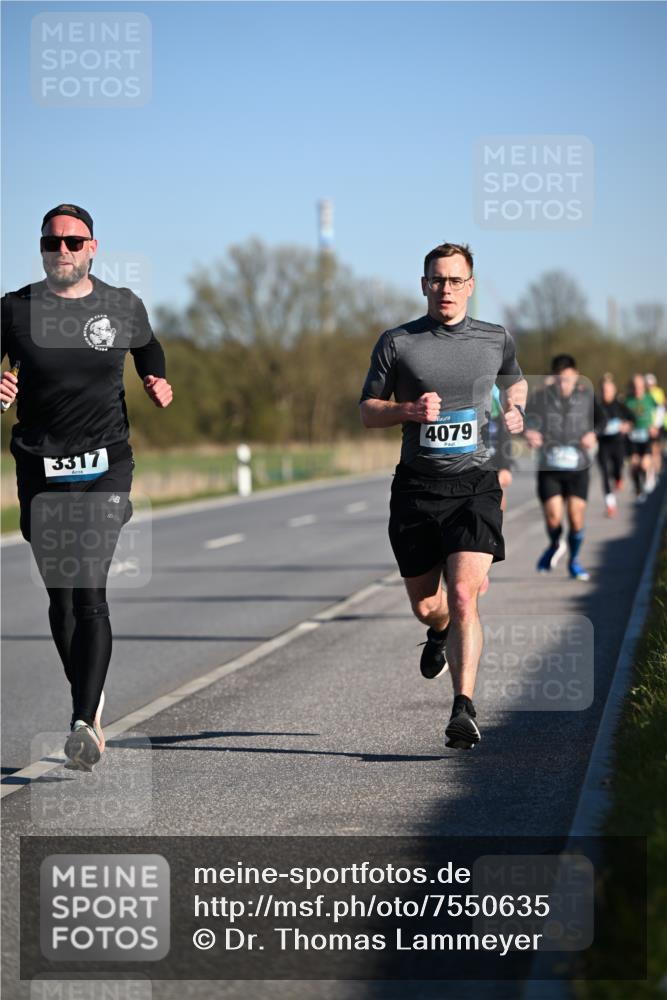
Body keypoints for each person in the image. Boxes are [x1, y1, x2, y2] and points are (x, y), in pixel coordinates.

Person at [1, 203, 173, 771]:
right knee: (61, 597)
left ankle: (82, 722)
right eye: (53, 243)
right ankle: (88, 698)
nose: (64, 252)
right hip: (39, 469)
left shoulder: (121, 305)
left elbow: (149, 346)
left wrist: (155, 376)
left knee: (89, 583)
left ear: (93, 247)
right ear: (41, 248)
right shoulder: (14, 310)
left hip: (105, 466)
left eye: (74, 242)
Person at [359, 242, 526, 750]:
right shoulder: (399, 342)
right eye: (437, 280)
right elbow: (368, 409)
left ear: (470, 286)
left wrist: (515, 413)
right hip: (416, 489)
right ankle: (437, 633)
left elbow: (514, 385)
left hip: (475, 485)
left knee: (463, 594)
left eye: (455, 280)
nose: (446, 289)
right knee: (430, 605)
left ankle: (463, 708)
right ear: (423, 284)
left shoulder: (495, 339)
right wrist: (407, 411)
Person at [525, 354, 601, 581]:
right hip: (550, 468)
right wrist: (528, 433)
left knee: (576, 519)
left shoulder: (587, 397)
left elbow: (602, 419)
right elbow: (524, 420)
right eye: (559, 379)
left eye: (567, 378)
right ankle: (555, 543)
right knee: (553, 518)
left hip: (578, 468)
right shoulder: (541, 398)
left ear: (576, 376)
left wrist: (593, 433)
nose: (563, 383)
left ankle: (574, 561)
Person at [595, 374, 634, 517]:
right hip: (603, 444)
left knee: (618, 468)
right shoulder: (597, 407)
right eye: (604, 390)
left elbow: (632, 419)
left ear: (614, 390)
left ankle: (618, 477)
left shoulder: (620, 405)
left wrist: (627, 425)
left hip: (618, 444)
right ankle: (610, 505)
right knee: (604, 474)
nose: (606, 393)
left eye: (609, 390)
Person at [624, 373, 658, 501]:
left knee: (644, 464)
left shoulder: (650, 398)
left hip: (647, 435)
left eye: (639, 386)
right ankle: (637, 487)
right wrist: (625, 425)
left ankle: (649, 475)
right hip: (632, 436)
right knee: (633, 464)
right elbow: (622, 416)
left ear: (644, 386)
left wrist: (655, 426)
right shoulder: (628, 400)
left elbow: (660, 411)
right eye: (634, 386)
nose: (637, 389)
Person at [645, 373, 665, 483]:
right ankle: (652, 474)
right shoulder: (645, 394)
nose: (649, 386)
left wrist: (656, 425)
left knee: (656, 450)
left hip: (657, 426)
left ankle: (656, 473)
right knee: (651, 451)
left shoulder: (657, 393)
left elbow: (660, 410)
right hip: (648, 427)